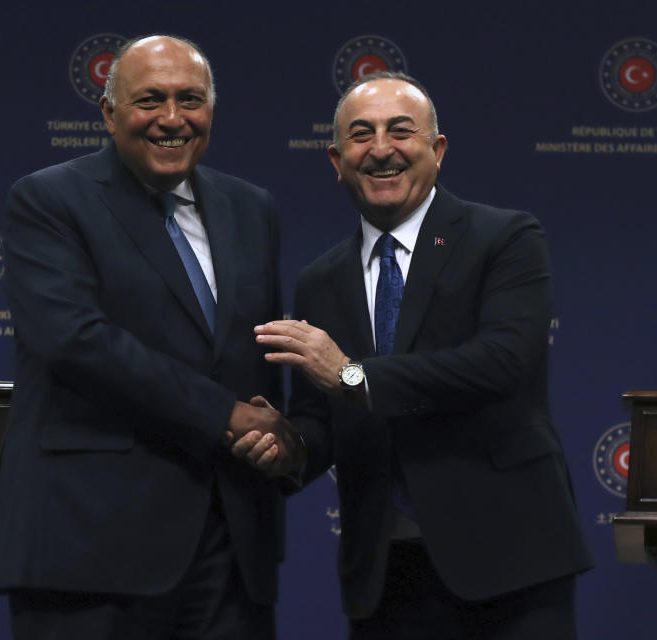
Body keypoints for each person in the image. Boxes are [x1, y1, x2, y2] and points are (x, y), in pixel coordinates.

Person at [247, 72, 593, 639]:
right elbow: (321, 410)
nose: (381, 149)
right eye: (361, 136)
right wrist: (287, 448)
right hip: (384, 574)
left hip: (511, 561)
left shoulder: (504, 237)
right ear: (336, 160)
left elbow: (501, 361)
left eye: (399, 131)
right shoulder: (320, 281)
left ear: (437, 150)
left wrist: (354, 375)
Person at [0, 35, 303, 640]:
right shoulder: (50, 199)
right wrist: (226, 415)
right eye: (150, 100)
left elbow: (254, 357)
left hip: (232, 549)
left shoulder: (250, 207)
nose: (173, 119)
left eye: (191, 99)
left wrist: (280, 441)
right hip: (91, 547)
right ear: (108, 113)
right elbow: (75, 342)